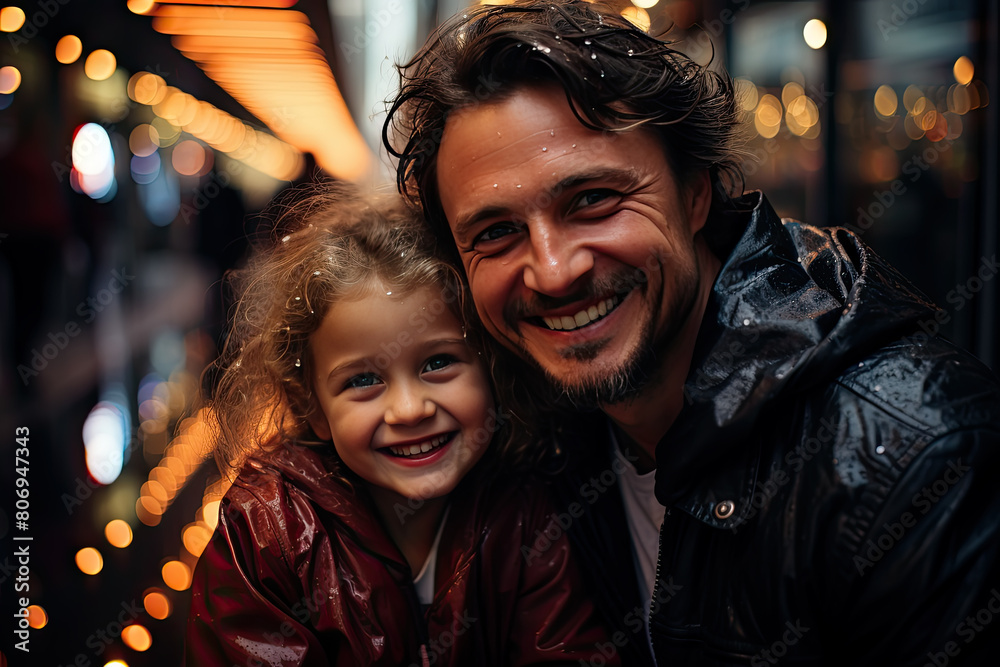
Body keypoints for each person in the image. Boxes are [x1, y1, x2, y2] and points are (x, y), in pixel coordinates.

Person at [383, 1, 1000, 664]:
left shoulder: (919, 457)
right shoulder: (524, 426)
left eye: (592, 199)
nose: (554, 271)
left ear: (697, 192)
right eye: (496, 232)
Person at [184, 185, 618, 666]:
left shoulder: (525, 515)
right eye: (363, 380)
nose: (409, 410)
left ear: (490, 368)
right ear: (311, 407)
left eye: (437, 363)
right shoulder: (268, 532)